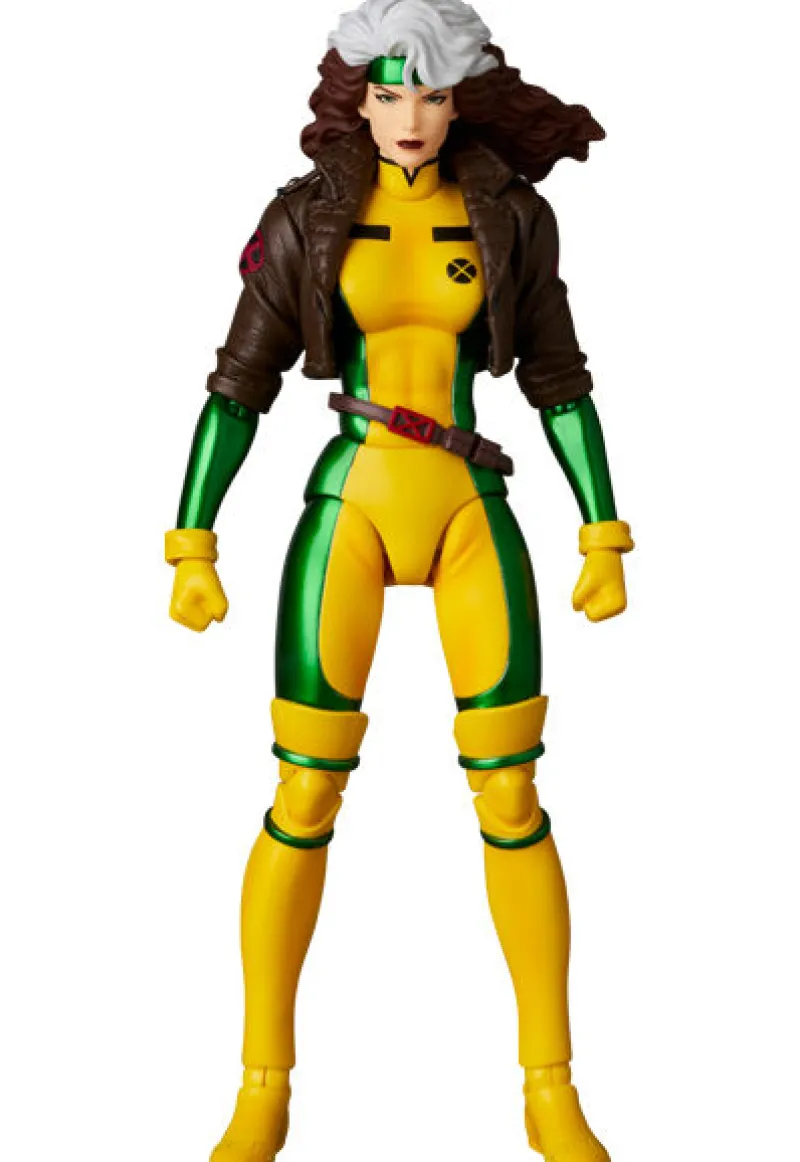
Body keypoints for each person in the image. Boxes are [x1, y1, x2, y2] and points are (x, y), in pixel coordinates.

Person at [165, 1, 633, 1158]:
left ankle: (549, 1087)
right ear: (357, 100)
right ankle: (261, 1085)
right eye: (387, 93)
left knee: (511, 797)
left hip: (468, 505)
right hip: (354, 505)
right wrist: (192, 539)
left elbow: (559, 378)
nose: (409, 116)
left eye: (429, 93)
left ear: (459, 98)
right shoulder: (303, 216)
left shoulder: (511, 216)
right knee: (303, 794)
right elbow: (238, 384)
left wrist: (601, 528)